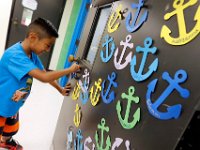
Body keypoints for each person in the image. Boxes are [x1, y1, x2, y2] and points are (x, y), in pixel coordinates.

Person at [0, 17, 80, 150]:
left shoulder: (31, 55)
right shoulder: (15, 55)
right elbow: (43, 77)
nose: (47, 50)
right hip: (1, 105)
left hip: (11, 103)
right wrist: (69, 70)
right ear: (33, 37)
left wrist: (59, 88)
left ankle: (5, 141)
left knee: (11, 128)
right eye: (47, 45)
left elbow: (45, 73)